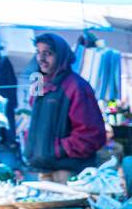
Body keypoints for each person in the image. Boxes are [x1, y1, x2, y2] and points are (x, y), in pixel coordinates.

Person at [21, 33, 104, 181]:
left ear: (61, 56)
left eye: (48, 53)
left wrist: (57, 150)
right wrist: (34, 148)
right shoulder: (39, 85)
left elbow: (91, 134)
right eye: (38, 52)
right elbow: (33, 122)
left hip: (68, 170)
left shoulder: (76, 87)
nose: (41, 58)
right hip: (43, 168)